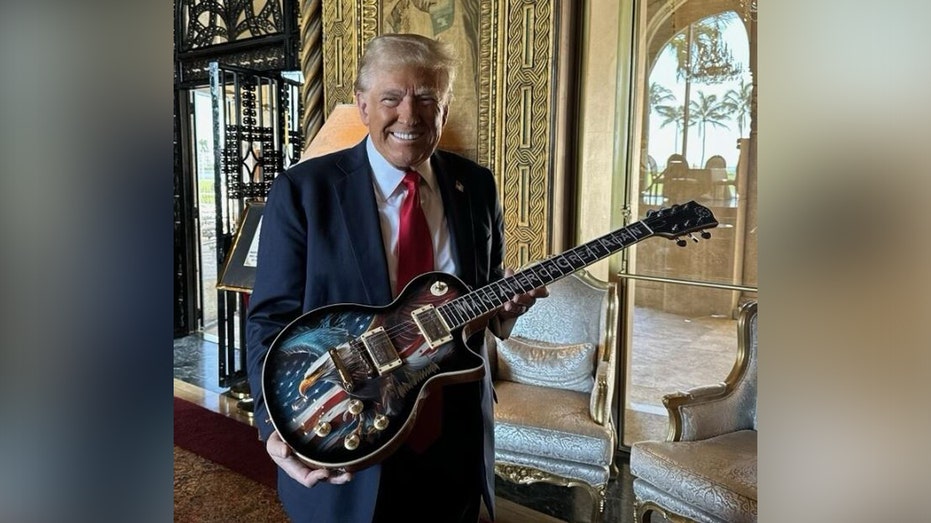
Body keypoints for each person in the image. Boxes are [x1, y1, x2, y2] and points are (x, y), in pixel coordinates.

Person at [246, 33, 548, 523]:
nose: (409, 115)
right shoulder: (303, 192)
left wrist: (507, 311)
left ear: (444, 110)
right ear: (363, 106)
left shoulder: (476, 187)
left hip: (453, 435)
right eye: (392, 97)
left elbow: (486, 305)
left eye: (427, 97)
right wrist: (273, 425)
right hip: (349, 437)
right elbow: (269, 320)